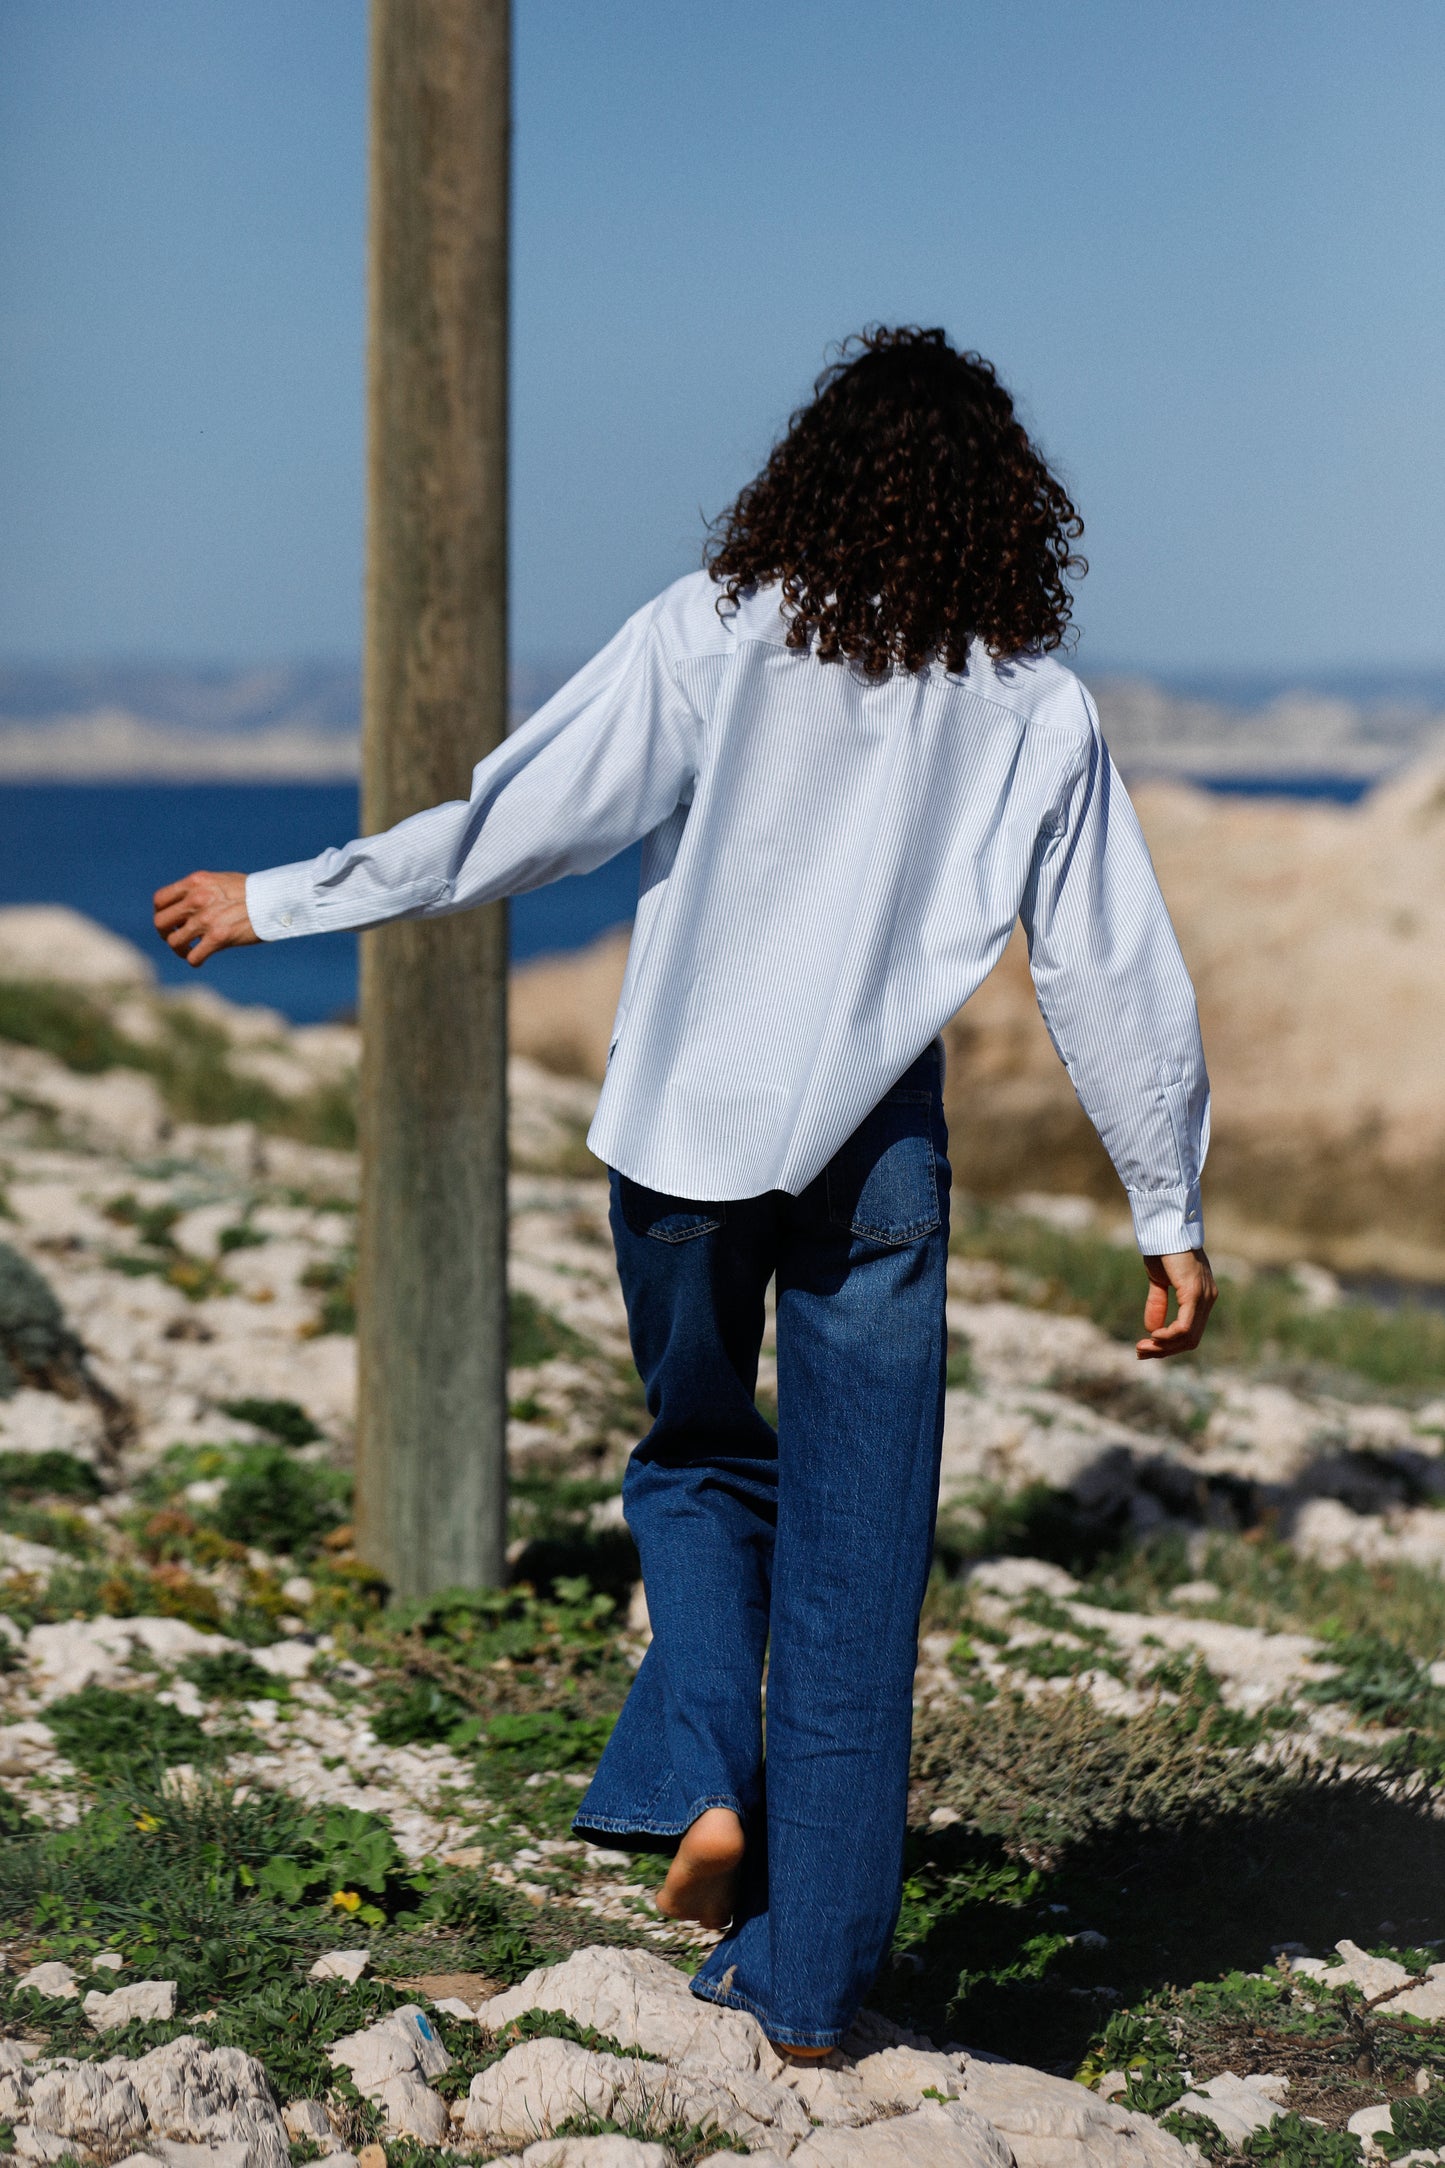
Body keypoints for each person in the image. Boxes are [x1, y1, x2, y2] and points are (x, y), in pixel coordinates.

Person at [154, 325, 1215, 2057]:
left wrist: (281, 900)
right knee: (864, 1569)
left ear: (810, 473)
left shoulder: (714, 632)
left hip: (681, 1137)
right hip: (876, 1153)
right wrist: (1164, 1206)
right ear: (1008, 516)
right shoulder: (1035, 705)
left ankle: (705, 1770)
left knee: (700, 1461)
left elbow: (519, 822)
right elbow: (1110, 967)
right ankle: (807, 1994)